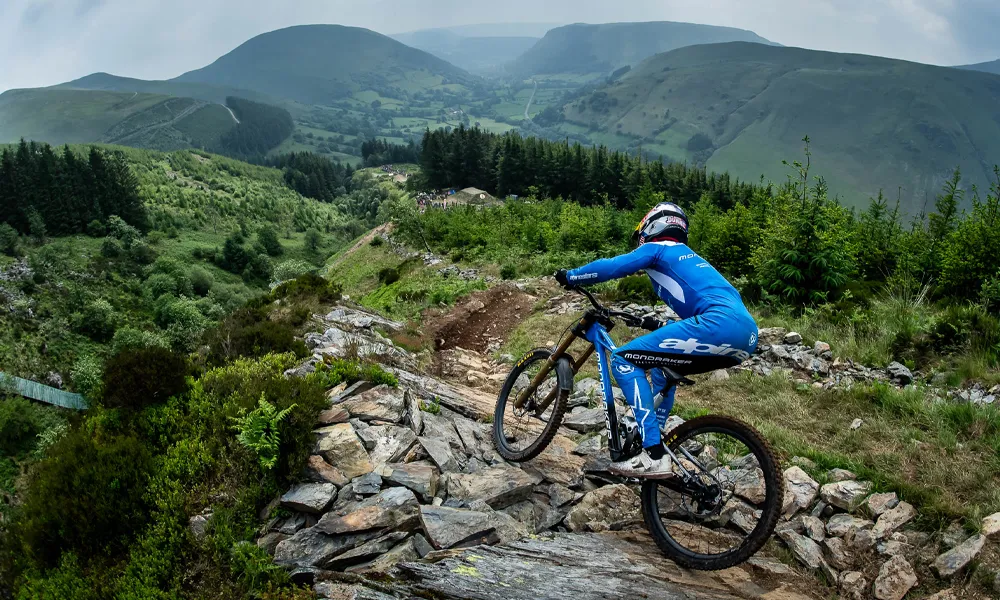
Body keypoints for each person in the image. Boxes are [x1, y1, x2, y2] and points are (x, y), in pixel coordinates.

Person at [555, 202, 758, 478]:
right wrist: (655, 323)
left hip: (718, 324)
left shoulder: (659, 247)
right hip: (746, 334)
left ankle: (653, 453)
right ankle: (653, 434)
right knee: (662, 372)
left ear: (651, 226)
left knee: (623, 359)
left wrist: (571, 276)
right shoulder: (690, 257)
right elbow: (700, 307)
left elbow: (612, 267)